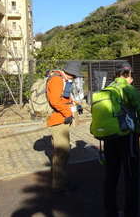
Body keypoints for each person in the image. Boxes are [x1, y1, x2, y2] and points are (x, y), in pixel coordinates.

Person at [103, 61, 140, 217]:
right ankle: (131, 212)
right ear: (127, 74)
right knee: (131, 175)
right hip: (127, 137)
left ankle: (111, 211)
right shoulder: (129, 89)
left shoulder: (107, 89)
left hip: (109, 137)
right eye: (131, 75)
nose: (132, 79)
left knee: (111, 174)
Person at [46, 61, 83, 193]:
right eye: (74, 76)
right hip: (58, 120)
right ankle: (58, 185)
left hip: (61, 119)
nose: (74, 78)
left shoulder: (61, 79)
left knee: (63, 152)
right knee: (62, 152)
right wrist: (68, 113)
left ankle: (60, 181)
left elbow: (63, 99)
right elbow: (55, 101)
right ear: (71, 73)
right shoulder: (57, 80)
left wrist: (76, 104)